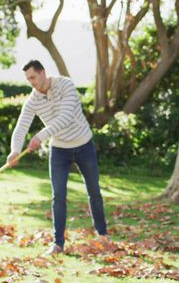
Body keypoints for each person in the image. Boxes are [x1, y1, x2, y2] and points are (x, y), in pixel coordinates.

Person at [7, 60, 108, 255]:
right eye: (28, 79)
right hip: (59, 150)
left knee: (94, 190)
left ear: (43, 73)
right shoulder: (34, 99)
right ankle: (58, 244)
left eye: (33, 77)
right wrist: (15, 150)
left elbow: (66, 116)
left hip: (83, 144)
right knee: (58, 196)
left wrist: (40, 136)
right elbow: (21, 125)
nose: (31, 83)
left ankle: (102, 234)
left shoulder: (65, 85)